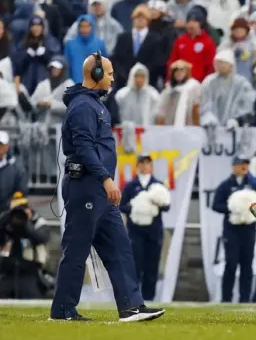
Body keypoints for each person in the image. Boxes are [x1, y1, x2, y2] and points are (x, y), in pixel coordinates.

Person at [50, 52, 164, 322]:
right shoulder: (82, 106)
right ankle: (63, 310)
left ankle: (131, 306)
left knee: (120, 248)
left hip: (99, 190)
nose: (113, 78)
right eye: (110, 73)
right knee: (77, 249)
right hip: (86, 187)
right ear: (97, 74)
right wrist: (105, 178)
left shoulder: (95, 105)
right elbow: (85, 149)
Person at [119, 154, 170, 301]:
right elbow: (121, 206)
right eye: (142, 163)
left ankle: (149, 298)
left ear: (151, 166)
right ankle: (134, 298)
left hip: (154, 230)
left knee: (152, 265)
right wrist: (135, 209)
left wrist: (155, 204)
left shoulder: (158, 185)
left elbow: (167, 206)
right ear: (138, 166)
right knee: (136, 263)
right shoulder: (130, 185)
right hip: (136, 231)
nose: (144, 166)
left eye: (147, 163)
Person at [211, 155, 256, 303]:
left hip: (249, 230)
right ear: (234, 167)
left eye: (246, 164)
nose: (244, 166)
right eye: (241, 164)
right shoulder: (226, 185)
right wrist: (232, 208)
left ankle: (245, 299)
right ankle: (227, 298)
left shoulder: (253, 185)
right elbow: (215, 205)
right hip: (232, 230)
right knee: (231, 263)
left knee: (247, 264)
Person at [0, 195, 50, 299]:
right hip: (8, 270)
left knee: (33, 298)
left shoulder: (38, 222)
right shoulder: (7, 221)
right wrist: (4, 221)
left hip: (30, 271)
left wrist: (26, 223)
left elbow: (41, 238)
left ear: (28, 209)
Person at [0, 131, 27, 212]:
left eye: (1, 144)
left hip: (9, 210)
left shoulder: (17, 166)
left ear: (7, 146)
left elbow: (21, 190)